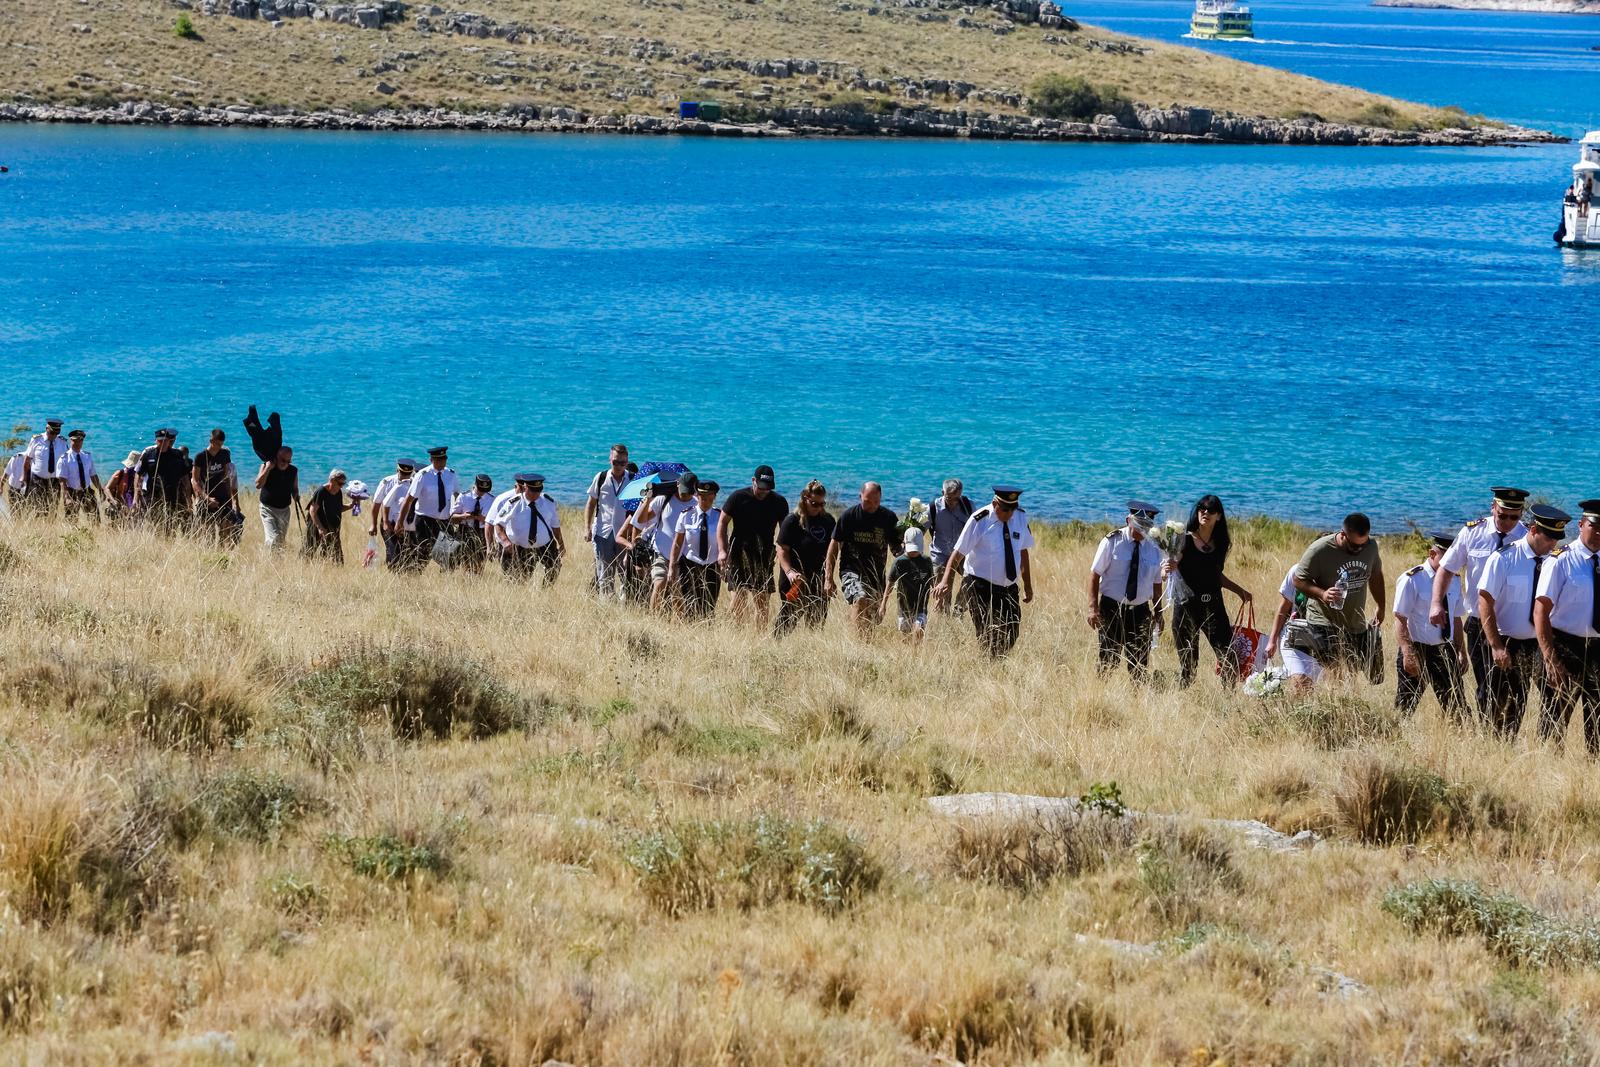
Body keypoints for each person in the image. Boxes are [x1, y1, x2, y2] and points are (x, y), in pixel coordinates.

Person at [1432, 487, 1528, 722]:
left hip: (1514, 624)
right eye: (1502, 515)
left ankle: (1507, 736)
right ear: (1493, 507)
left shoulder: (1527, 538)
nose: (1507, 522)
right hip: (1479, 623)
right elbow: (1446, 568)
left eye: (1514, 517)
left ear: (1521, 514)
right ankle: (1488, 734)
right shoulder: (1472, 532)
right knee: (1486, 685)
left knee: (1515, 689)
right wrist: (1436, 602)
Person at [1478, 504, 1567, 740]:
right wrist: (1496, 646)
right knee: (1507, 702)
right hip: (1508, 641)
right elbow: (1485, 601)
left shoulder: (1555, 561)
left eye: (1556, 539)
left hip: (1539, 642)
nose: (1552, 544)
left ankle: (1547, 746)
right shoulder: (1504, 558)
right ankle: (1498, 746)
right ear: (1534, 529)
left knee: (1554, 694)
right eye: (1549, 538)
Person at [1163, 495, 1253, 688]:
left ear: (1218, 516)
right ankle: (1182, 702)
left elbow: (1216, 576)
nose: (1205, 512)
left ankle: (1227, 701)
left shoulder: (1220, 544)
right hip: (1186, 607)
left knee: (1229, 659)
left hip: (1213, 607)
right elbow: (1171, 567)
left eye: (1211, 510)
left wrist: (1240, 591)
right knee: (1189, 665)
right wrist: (1166, 569)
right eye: (1202, 508)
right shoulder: (1183, 539)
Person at [1535, 500, 1600, 753]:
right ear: (1581, 525)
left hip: (1597, 649)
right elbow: (1540, 611)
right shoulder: (1560, 560)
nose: (1599, 532)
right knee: (1554, 721)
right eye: (1594, 526)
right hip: (1565, 645)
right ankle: (1544, 770)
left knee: (1596, 720)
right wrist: (1550, 659)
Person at [1289, 513, 1386, 683]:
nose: (1359, 550)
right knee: (1335, 671)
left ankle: (1342, 704)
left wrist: (1381, 606)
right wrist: (1322, 594)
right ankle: (1330, 705)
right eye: (1354, 546)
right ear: (1343, 534)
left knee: (1352, 672)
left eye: (1362, 546)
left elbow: (1376, 576)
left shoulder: (1370, 547)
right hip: (1323, 620)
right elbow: (1297, 580)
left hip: (1354, 622)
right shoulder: (1319, 550)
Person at [1393, 532, 1467, 719]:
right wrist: (1407, 653)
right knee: (1405, 705)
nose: (1450, 564)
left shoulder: (1455, 580)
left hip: (1445, 649)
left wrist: (1461, 651)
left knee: (1457, 706)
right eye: (1446, 558)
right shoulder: (1412, 579)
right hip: (1417, 648)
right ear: (1432, 554)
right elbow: (1400, 618)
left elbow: (1457, 618)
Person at [1088, 501, 1163, 679]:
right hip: (1112, 608)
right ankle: (1098, 696)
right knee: (1108, 659)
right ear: (1128, 520)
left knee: (1139, 663)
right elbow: (1094, 574)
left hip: (1141, 611)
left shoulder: (1155, 547)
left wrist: (1158, 612)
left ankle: (1137, 701)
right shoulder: (1112, 541)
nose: (1141, 530)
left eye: (1146, 526)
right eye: (1138, 525)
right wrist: (1093, 608)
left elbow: (1157, 583)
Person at [718, 465, 790, 628]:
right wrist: (722, 551)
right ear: (753, 481)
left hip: (764, 555)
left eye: (767, 488)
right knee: (738, 600)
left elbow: (785, 530)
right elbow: (722, 523)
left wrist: (782, 550)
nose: (764, 491)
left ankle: (759, 637)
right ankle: (733, 635)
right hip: (738, 553)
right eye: (761, 487)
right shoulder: (738, 497)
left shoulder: (779, 502)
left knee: (762, 602)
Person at [825, 482, 900, 632]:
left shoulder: (888, 518)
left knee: (872, 620)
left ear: (881, 498)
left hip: (876, 575)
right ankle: (857, 645)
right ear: (860, 496)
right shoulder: (849, 516)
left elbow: (897, 549)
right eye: (867, 501)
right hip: (851, 570)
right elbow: (834, 545)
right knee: (860, 597)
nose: (872, 505)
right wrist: (828, 578)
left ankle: (864, 644)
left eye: (876, 502)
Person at [774, 479, 835, 637]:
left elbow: (832, 550)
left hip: (818, 578)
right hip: (796, 579)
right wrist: (789, 571)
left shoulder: (828, 521)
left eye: (822, 504)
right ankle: (775, 646)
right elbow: (781, 548)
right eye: (815, 504)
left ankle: (810, 648)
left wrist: (829, 577)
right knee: (788, 618)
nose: (819, 507)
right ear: (805, 498)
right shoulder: (792, 520)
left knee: (816, 621)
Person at [637, 472, 698, 615]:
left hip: (682, 556)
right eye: (683, 492)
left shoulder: (696, 504)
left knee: (677, 589)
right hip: (661, 552)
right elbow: (642, 519)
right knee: (659, 583)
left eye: (689, 492)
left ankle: (679, 622)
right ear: (677, 484)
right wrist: (648, 500)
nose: (685, 496)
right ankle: (654, 619)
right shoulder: (663, 500)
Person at [668, 480, 722, 621]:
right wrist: (672, 566)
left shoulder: (719, 516)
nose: (706, 501)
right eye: (702, 497)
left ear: (714, 497)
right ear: (697, 496)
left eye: (709, 497)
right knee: (690, 603)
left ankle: (706, 633)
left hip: (712, 565)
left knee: (709, 606)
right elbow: (677, 543)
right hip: (690, 564)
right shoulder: (686, 515)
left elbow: (724, 541)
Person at [496, 473, 563, 584]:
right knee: (522, 578)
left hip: (545, 544)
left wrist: (561, 543)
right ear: (525, 487)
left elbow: (555, 525)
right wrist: (505, 541)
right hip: (522, 546)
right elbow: (498, 524)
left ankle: (545, 591)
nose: (536, 494)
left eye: (538, 491)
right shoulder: (514, 503)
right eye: (533, 491)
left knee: (554, 568)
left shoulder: (548, 502)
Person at [584, 443, 631, 599]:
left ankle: (626, 605)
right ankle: (607, 607)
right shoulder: (601, 477)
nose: (619, 466)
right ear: (610, 459)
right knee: (604, 573)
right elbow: (591, 504)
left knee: (625, 572)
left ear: (627, 461)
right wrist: (587, 528)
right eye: (615, 462)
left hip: (624, 533)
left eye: (622, 463)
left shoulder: (632, 480)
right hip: (603, 532)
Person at [400, 446, 458, 571]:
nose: (441, 463)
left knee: (448, 556)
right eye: (438, 460)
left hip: (444, 521)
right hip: (425, 520)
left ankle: (446, 583)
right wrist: (400, 522)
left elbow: (457, 495)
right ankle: (413, 577)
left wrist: (458, 513)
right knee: (423, 554)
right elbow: (408, 500)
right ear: (431, 460)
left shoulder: (451, 474)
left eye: (443, 460)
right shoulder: (423, 475)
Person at [1267, 564, 1318, 691]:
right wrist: (1272, 641)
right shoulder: (1297, 571)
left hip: (1321, 640)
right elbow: (1283, 609)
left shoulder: (1334, 573)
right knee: (1301, 683)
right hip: (1293, 636)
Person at [928, 478, 974, 613]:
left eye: (957, 498)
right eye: (950, 498)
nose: (953, 502)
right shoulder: (932, 508)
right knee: (942, 596)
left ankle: (958, 611)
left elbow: (978, 528)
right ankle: (943, 622)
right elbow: (919, 530)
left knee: (971, 580)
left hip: (962, 554)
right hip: (941, 555)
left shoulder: (968, 506)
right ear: (942, 492)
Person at [882, 528, 936, 641]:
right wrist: (883, 604)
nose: (913, 552)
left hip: (921, 607)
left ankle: (917, 655)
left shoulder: (927, 561)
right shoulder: (899, 562)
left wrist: (937, 598)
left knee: (918, 631)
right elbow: (890, 583)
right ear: (905, 543)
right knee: (905, 638)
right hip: (904, 607)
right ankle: (910, 655)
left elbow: (932, 581)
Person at [192, 428, 241, 543]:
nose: (219, 447)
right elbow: (195, 481)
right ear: (211, 440)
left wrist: (232, 500)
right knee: (208, 533)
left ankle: (222, 555)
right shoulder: (200, 457)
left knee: (226, 531)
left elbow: (226, 476)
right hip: (207, 497)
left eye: (221, 444)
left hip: (223, 497)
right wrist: (206, 498)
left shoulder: (224, 454)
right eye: (217, 444)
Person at [368, 459, 417, 570]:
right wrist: (374, 524)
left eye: (407, 474)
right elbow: (377, 504)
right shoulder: (387, 482)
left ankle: (403, 576)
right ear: (397, 470)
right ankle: (392, 575)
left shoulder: (414, 484)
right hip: (388, 523)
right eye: (402, 473)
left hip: (407, 525)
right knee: (393, 551)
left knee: (407, 553)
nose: (404, 476)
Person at [134, 428, 188, 526]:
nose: (163, 443)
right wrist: (136, 495)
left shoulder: (177, 455)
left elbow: (184, 476)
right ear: (156, 441)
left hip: (171, 496)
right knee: (152, 522)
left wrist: (187, 496)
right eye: (160, 441)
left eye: (165, 440)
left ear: (169, 441)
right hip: (152, 495)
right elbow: (138, 473)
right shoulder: (148, 454)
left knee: (171, 523)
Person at [254, 446, 300, 552]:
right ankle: (268, 562)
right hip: (267, 509)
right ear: (277, 457)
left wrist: (296, 495)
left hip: (284, 510)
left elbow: (295, 488)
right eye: (283, 460)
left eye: (288, 461)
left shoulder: (293, 470)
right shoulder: (266, 466)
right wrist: (268, 468)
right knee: (273, 538)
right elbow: (258, 485)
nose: (285, 463)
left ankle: (276, 563)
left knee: (280, 541)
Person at [449, 474, 496, 573]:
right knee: (462, 562)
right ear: (475, 485)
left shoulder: (492, 500)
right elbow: (452, 517)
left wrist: (481, 518)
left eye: (484, 491)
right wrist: (464, 516)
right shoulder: (464, 497)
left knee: (479, 564)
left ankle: (475, 582)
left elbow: (495, 522)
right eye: (480, 490)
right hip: (465, 530)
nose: (482, 493)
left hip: (482, 532)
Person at [54, 429, 102, 521]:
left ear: (82, 441)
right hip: (72, 492)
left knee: (95, 518)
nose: (77, 443)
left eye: (79, 441)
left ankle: (94, 534)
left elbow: (93, 475)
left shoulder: (87, 456)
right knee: (71, 520)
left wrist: (100, 489)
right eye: (74, 441)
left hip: (87, 491)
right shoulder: (64, 458)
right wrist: (66, 497)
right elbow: (62, 481)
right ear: (70, 440)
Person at [19, 418, 65, 513]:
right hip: (38, 479)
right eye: (52, 433)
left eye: (56, 434)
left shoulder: (62, 442)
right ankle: (39, 525)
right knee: (38, 508)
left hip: (55, 480)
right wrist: (24, 476)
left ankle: (50, 526)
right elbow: (27, 460)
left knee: (53, 508)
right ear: (46, 428)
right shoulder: (36, 440)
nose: (53, 436)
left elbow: (66, 462)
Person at [304, 470, 349, 562]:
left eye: (343, 484)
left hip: (332, 527)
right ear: (332, 480)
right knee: (310, 550)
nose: (341, 486)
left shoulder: (338, 492)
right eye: (340, 483)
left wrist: (351, 506)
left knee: (336, 555)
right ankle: (303, 566)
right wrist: (320, 528)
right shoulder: (321, 491)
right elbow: (312, 511)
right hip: (317, 526)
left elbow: (338, 508)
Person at [104, 451, 141, 523]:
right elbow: (107, 488)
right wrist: (114, 501)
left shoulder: (140, 477)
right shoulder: (120, 474)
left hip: (134, 509)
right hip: (119, 507)